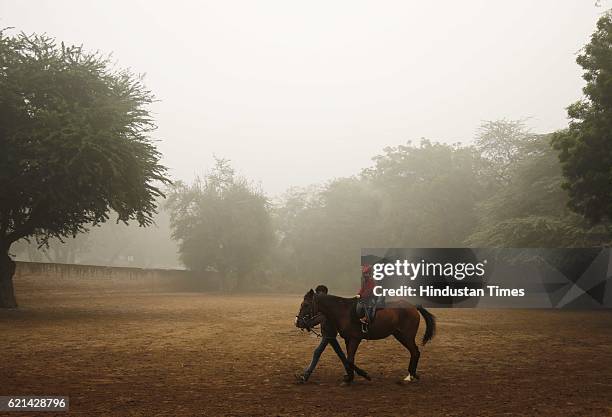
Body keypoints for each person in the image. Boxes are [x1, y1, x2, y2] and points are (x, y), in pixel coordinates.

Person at [296, 285, 352, 383]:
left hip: (329, 335)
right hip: (329, 334)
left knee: (317, 353)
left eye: (319, 293)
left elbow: (320, 319)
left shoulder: (327, 307)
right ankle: (349, 371)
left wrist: (307, 324)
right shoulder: (325, 306)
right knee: (341, 355)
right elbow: (318, 318)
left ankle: (306, 375)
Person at [356, 264, 378, 333]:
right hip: (364, 297)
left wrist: (361, 295)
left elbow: (369, 291)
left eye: (366, 273)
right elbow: (362, 288)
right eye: (364, 273)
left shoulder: (372, 281)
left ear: (369, 273)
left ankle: (366, 319)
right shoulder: (364, 281)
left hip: (372, 296)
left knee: (369, 305)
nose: (365, 275)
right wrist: (358, 294)